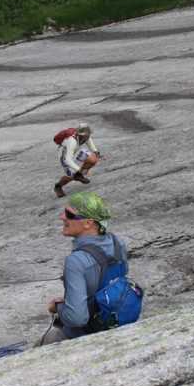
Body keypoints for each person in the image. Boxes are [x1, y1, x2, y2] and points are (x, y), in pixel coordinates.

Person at [46, 191, 127, 340]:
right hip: (115, 320)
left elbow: (77, 318)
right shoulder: (118, 243)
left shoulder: (76, 261)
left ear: (88, 223)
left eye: (69, 215)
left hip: (88, 333)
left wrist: (57, 307)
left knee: (50, 339)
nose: (62, 217)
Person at [55, 122, 101, 198]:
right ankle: (58, 186)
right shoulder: (72, 141)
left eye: (89, 135)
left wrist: (96, 151)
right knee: (71, 176)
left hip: (75, 152)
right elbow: (68, 160)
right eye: (87, 135)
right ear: (81, 135)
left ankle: (78, 175)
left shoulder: (85, 136)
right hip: (64, 157)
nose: (88, 137)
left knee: (93, 159)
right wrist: (79, 169)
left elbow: (89, 141)